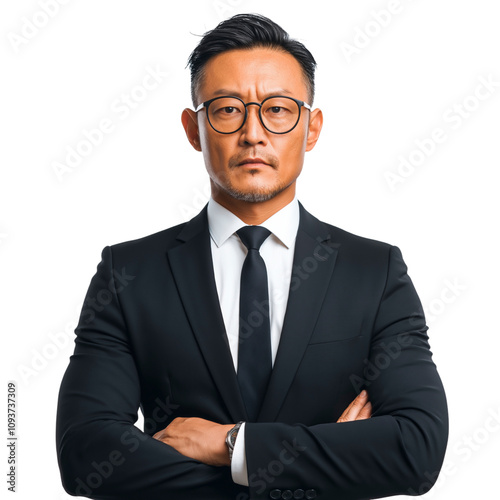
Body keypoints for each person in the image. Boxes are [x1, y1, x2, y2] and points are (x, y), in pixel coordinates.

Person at [56, 13, 448, 500]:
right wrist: (329, 466)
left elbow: (417, 451)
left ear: (311, 128)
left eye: (278, 110)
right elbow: (85, 453)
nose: (254, 134)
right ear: (193, 129)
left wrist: (230, 445)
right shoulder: (130, 272)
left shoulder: (374, 272)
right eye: (226, 110)